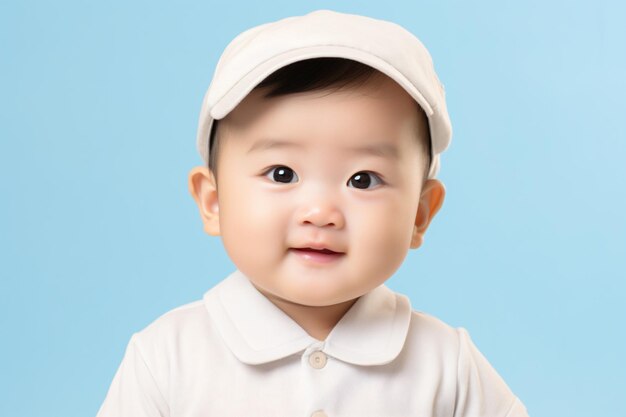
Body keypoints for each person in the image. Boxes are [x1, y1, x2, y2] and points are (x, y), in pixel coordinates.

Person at [96, 9, 530, 417]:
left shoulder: (446, 365)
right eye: (282, 173)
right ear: (213, 202)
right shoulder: (168, 357)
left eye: (363, 180)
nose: (321, 212)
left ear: (420, 214)